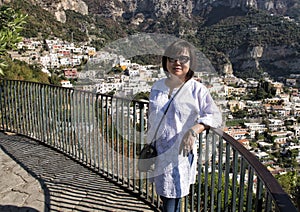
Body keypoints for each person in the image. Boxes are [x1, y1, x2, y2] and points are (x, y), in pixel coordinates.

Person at [146, 40, 222, 212]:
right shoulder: (157, 86)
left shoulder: (197, 90)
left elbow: (214, 115)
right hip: (158, 150)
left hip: (180, 153)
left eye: (183, 58)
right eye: (172, 58)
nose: (177, 62)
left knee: (173, 196)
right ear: (166, 61)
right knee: (165, 195)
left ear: (191, 62)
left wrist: (195, 129)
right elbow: (152, 113)